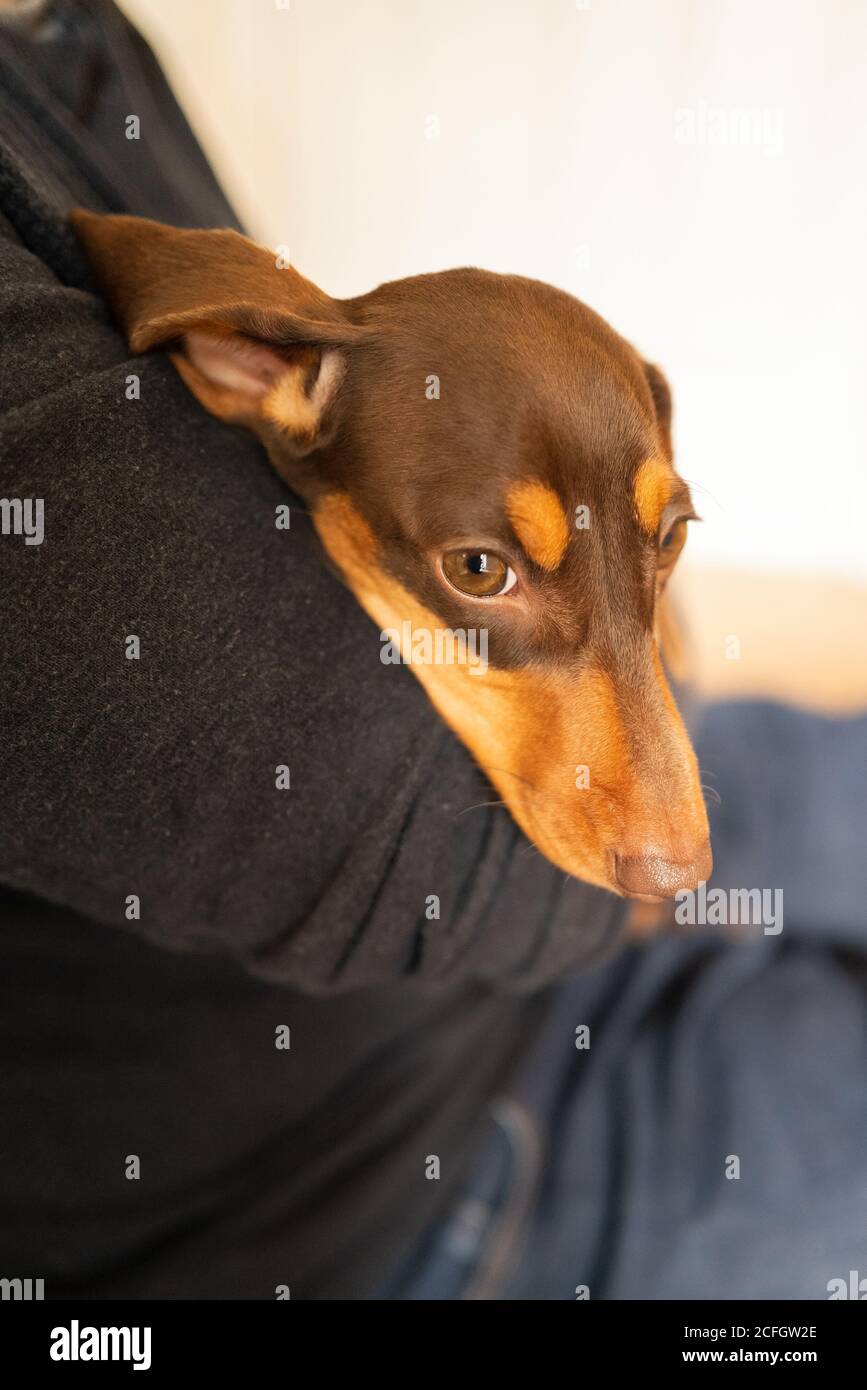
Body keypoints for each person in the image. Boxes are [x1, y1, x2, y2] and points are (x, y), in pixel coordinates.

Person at [2, 0, 866, 1301]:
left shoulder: (72, 41)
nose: (672, 823)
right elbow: (494, 854)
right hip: (390, 1190)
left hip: (506, 957)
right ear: (249, 365)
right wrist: (650, 736)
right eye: (483, 567)